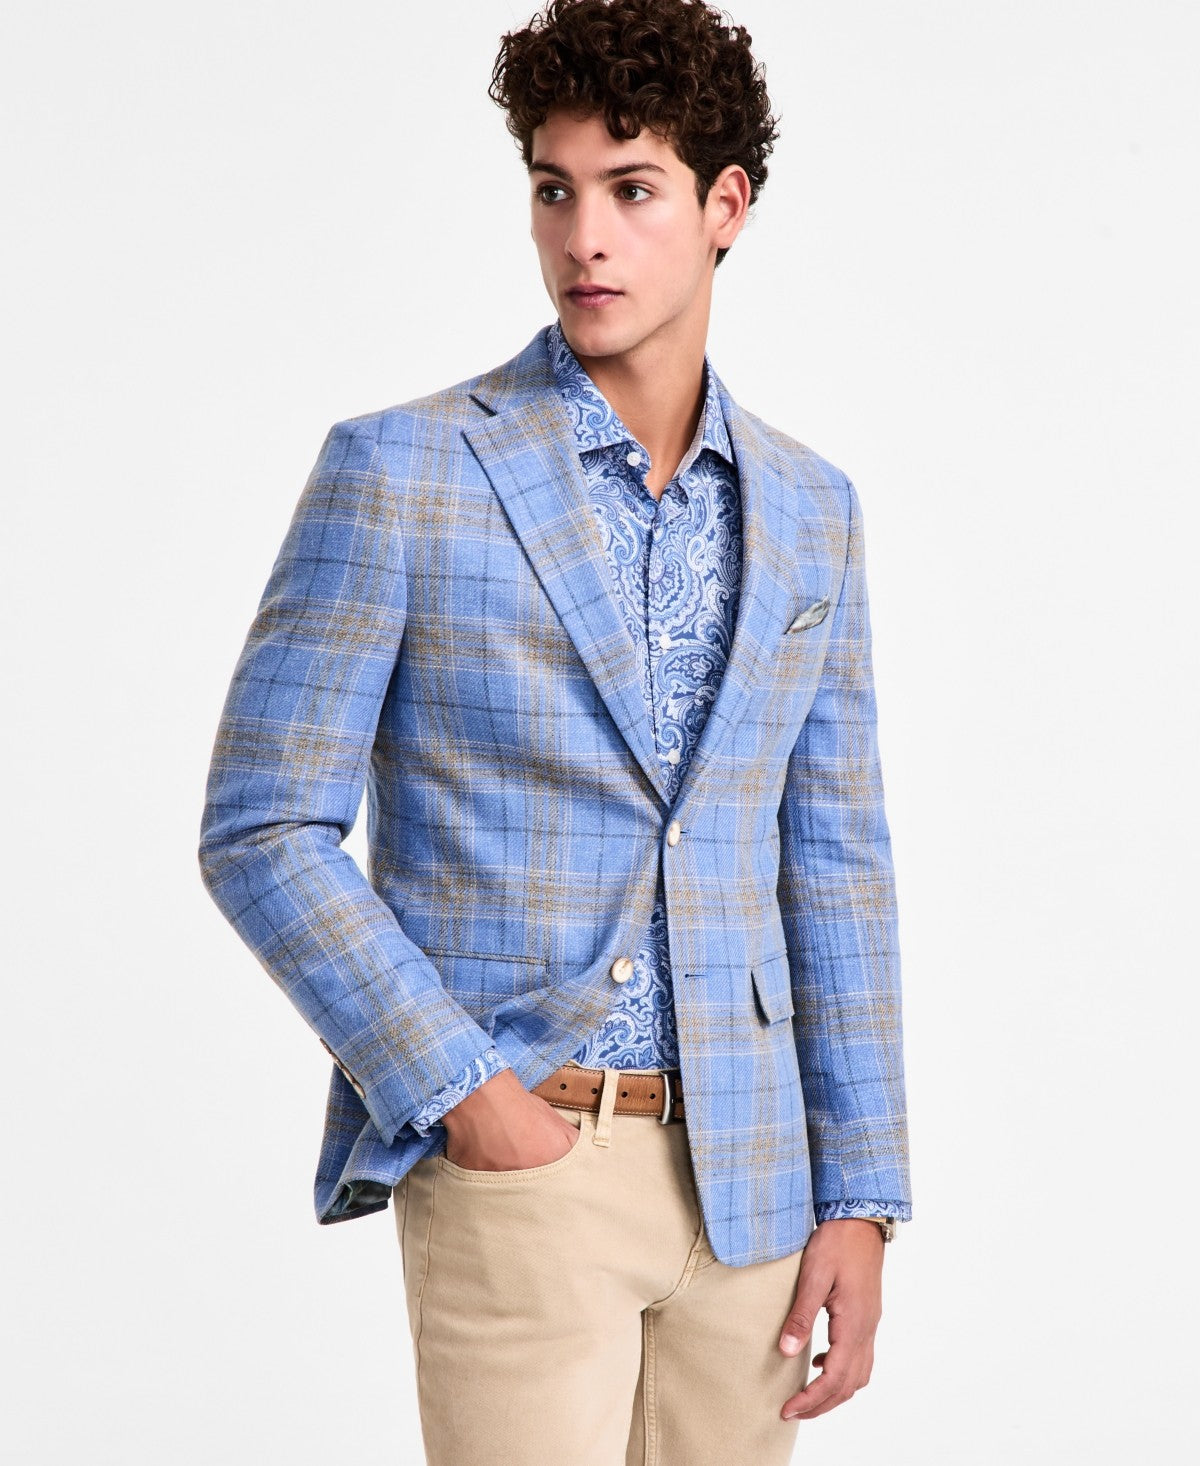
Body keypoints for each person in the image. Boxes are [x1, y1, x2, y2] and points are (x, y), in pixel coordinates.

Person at [197, 1, 912, 1461]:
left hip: (757, 1185)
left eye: (632, 190)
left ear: (725, 207)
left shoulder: (811, 509)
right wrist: (468, 1094)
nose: (585, 237)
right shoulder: (403, 471)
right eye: (553, 188)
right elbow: (263, 826)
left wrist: (862, 1193)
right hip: (528, 1158)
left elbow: (835, 864)